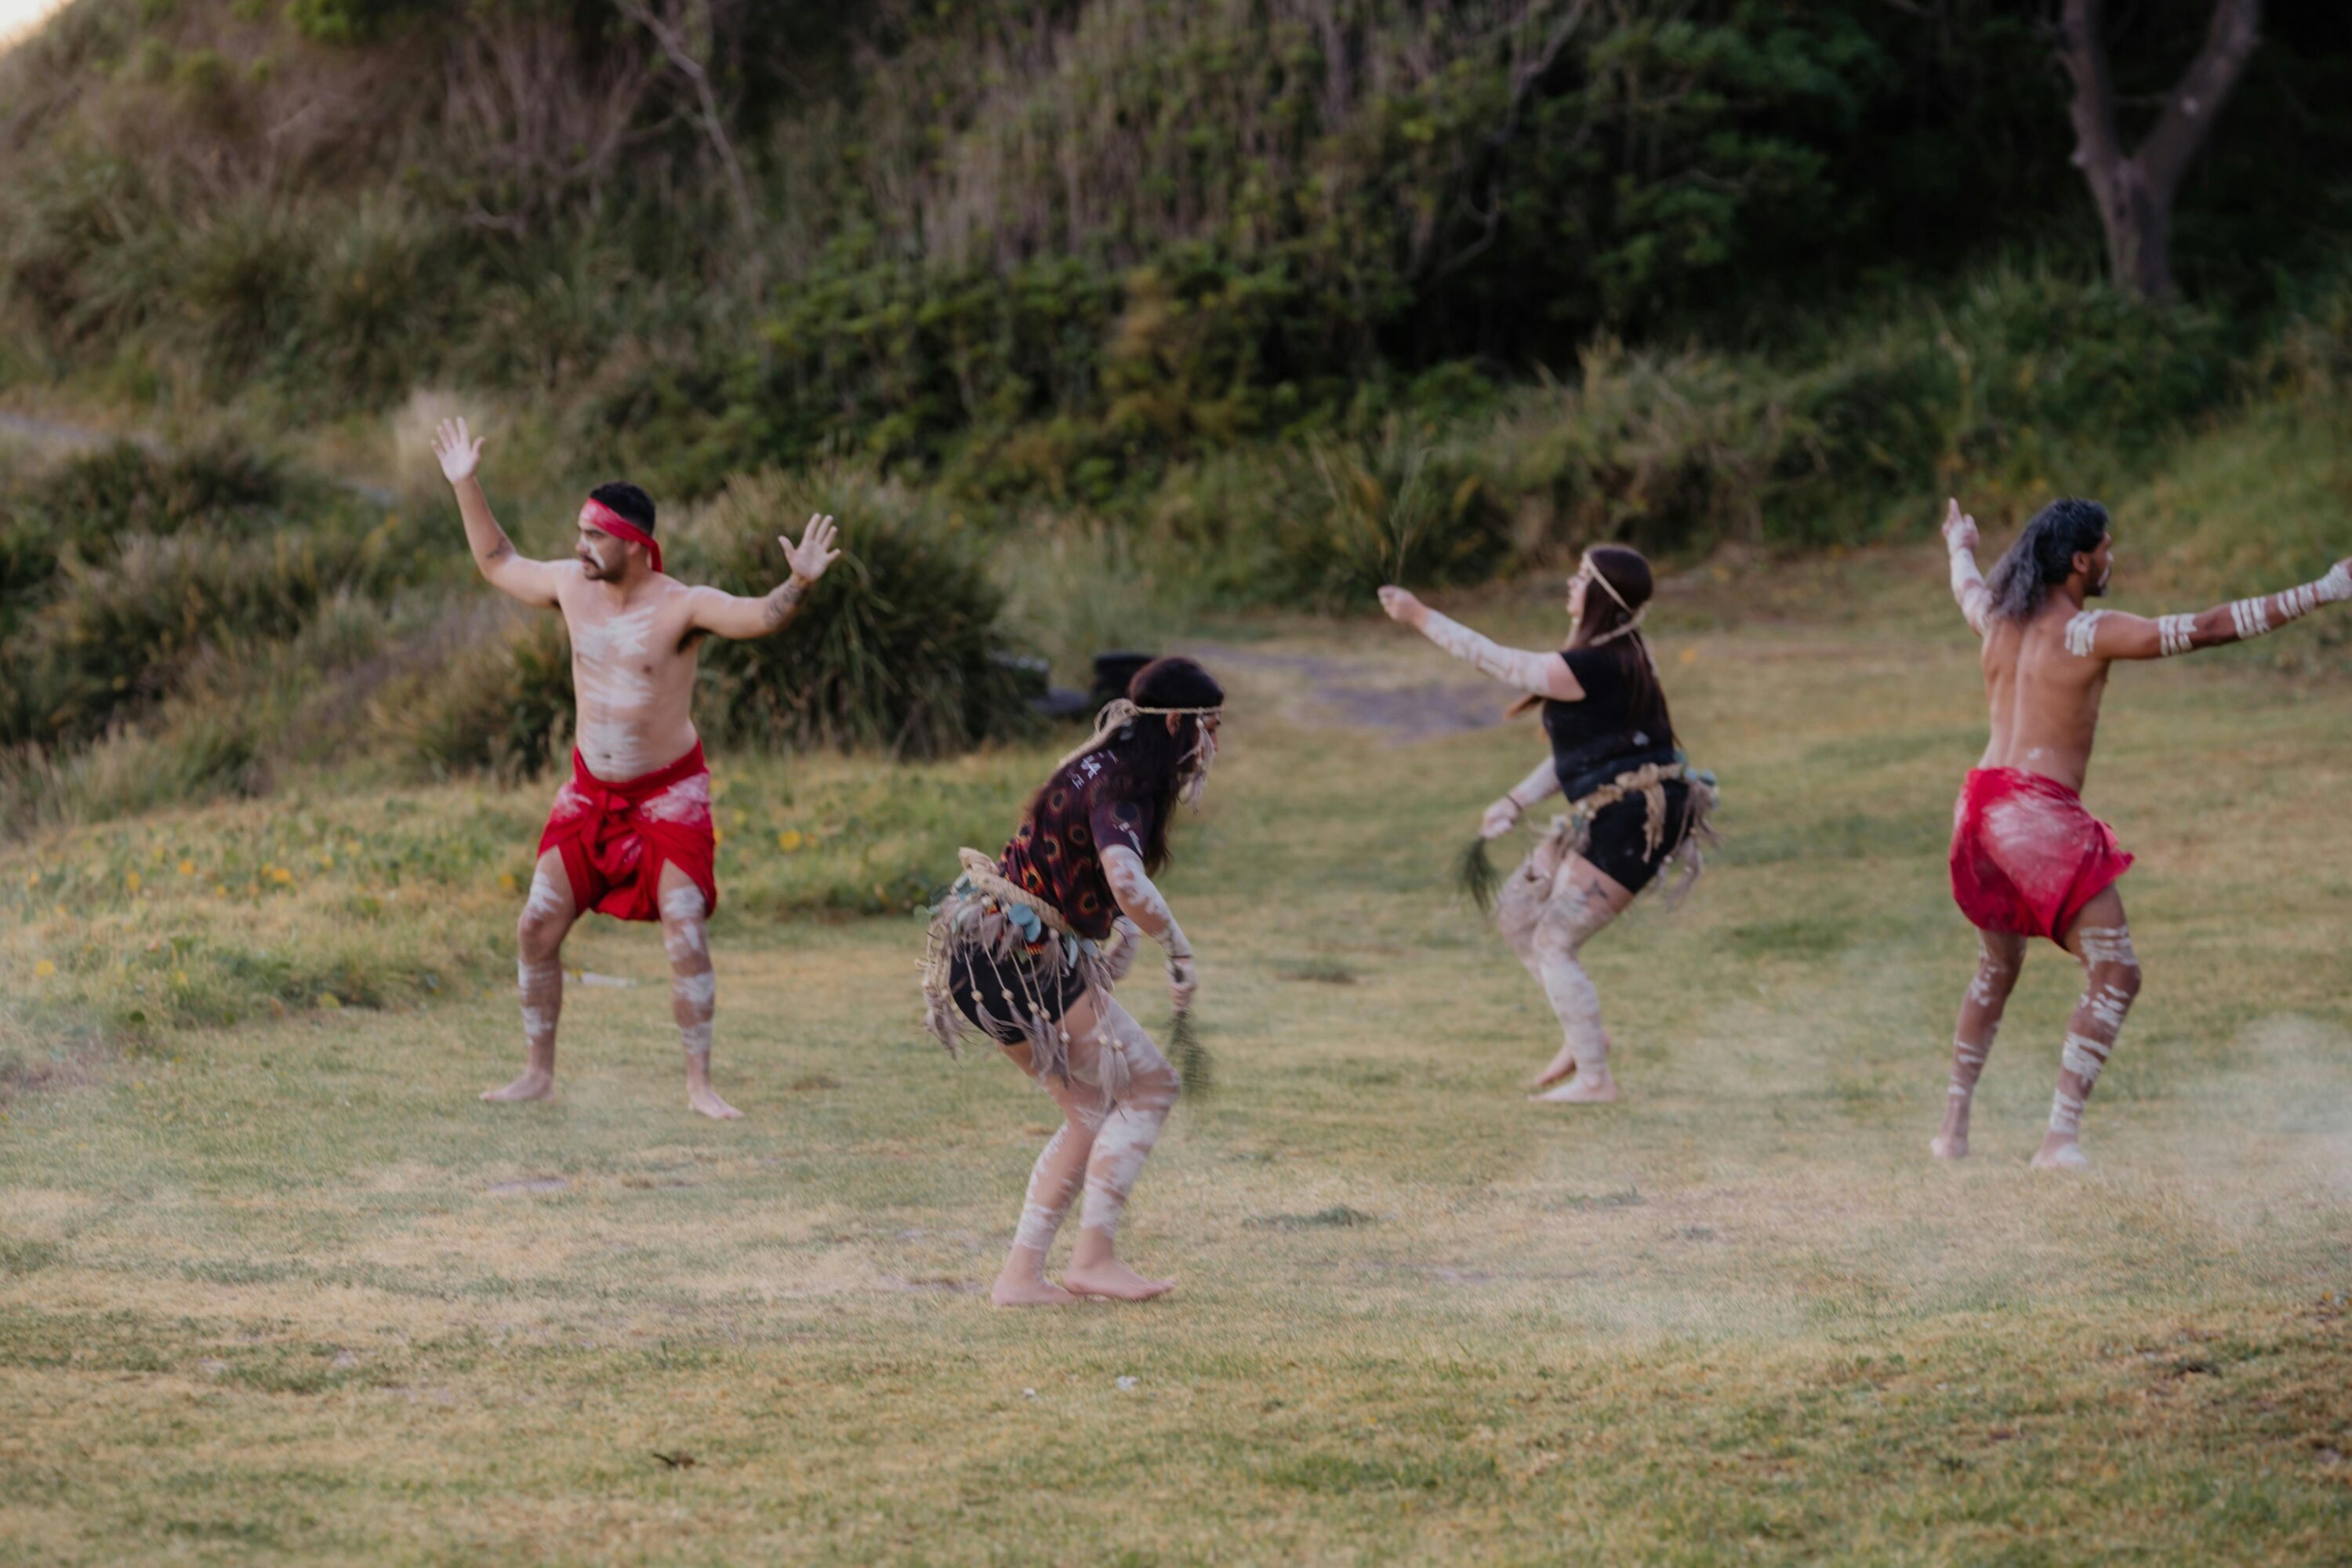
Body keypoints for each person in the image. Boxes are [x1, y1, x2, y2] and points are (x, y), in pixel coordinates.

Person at [430, 416, 842, 1119]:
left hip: (668, 796)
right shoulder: (569, 585)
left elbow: (761, 617)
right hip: (589, 793)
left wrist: (796, 585)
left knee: (684, 924)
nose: (580, 547)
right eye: (580, 533)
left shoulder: (683, 607)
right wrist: (466, 482)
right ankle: (537, 1073)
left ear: (637, 546)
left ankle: (699, 1086)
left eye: (594, 536)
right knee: (535, 928)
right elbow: (498, 559)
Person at [1935, 495, 2349, 1168]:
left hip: (1978, 811)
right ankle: (2058, 1138)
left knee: (1996, 965)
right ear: (2079, 562)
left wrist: (1959, 543)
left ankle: (1952, 1131)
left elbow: (1967, 587)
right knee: (2116, 973)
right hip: (2033, 816)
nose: (2111, 558)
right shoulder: (2086, 633)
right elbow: (2210, 628)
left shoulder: (1998, 623)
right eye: (2106, 548)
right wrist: (2326, 589)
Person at [920, 657, 1224, 1305]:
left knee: (1089, 1110)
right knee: (1150, 1087)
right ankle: (1093, 1260)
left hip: (984, 950)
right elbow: (1123, 876)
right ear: (1176, 722)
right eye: (1209, 726)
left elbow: (1087, 874)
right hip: (1017, 957)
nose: (1213, 743)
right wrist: (1179, 948)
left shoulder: (1097, 763)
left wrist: (1121, 934)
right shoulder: (1126, 786)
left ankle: (1020, 1279)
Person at [1379, 547, 1715, 1104]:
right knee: (1516, 913)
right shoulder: (1616, 653)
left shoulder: (1591, 665)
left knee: (1556, 940)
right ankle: (1585, 1037)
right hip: (1612, 808)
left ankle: (1595, 1080)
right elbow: (1590, 758)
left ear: (1601, 596)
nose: (1570, 582)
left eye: (1582, 576)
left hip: (1637, 818)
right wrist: (1516, 799)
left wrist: (1419, 616)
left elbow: (1497, 662)